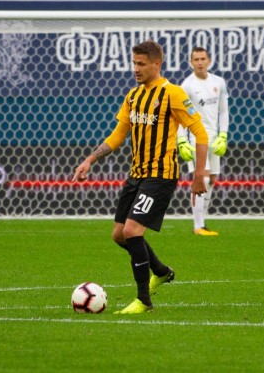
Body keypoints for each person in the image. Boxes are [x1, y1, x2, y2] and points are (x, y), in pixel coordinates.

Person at [73, 40, 208, 314]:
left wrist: (199, 175)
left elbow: (200, 133)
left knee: (132, 231)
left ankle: (144, 300)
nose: (136, 68)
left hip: (161, 176)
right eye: (134, 63)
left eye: (141, 64)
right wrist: (89, 160)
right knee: (119, 235)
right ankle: (160, 271)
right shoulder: (133, 96)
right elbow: (117, 135)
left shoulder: (173, 93)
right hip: (136, 174)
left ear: (157, 64)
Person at [177, 47, 229, 236]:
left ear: (209, 60)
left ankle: (202, 221)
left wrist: (223, 135)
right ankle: (198, 225)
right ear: (191, 62)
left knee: (212, 180)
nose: (200, 62)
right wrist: (181, 140)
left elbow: (223, 111)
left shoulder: (219, 82)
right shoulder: (187, 85)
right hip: (196, 137)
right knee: (202, 178)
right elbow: (181, 115)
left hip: (214, 138)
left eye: (202, 59)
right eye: (196, 59)